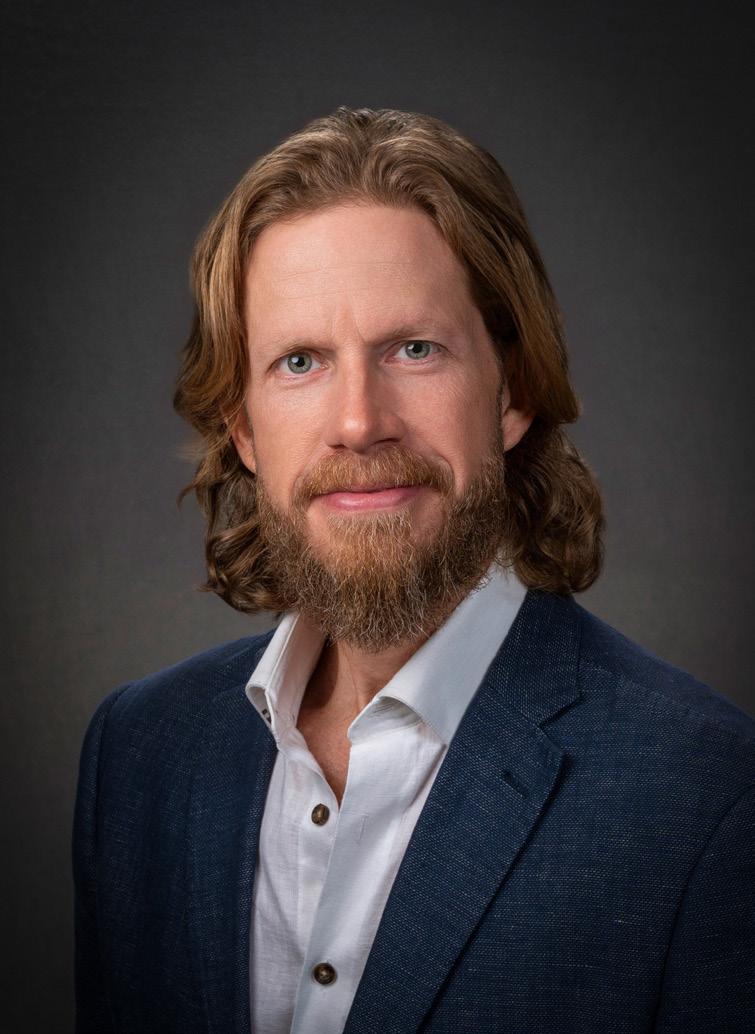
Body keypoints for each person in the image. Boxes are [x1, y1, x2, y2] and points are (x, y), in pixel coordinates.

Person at [73, 107, 755, 1034]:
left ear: (512, 392)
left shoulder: (708, 798)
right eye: (300, 361)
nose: (359, 422)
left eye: (414, 349)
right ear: (242, 427)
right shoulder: (138, 756)